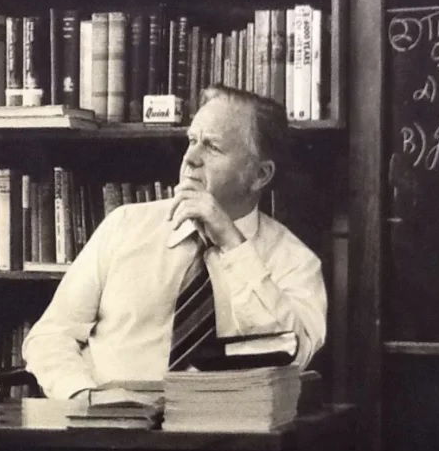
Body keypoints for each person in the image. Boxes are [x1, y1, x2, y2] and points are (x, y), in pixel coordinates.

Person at [22, 85, 327, 400]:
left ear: (260, 175)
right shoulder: (124, 226)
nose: (191, 158)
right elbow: (50, 336)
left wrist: (233, 245)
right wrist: (83, 397)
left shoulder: (295, 261)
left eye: (212, 147)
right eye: (192, 141)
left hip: (227, 438)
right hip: (108, 433)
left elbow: (293, 355)